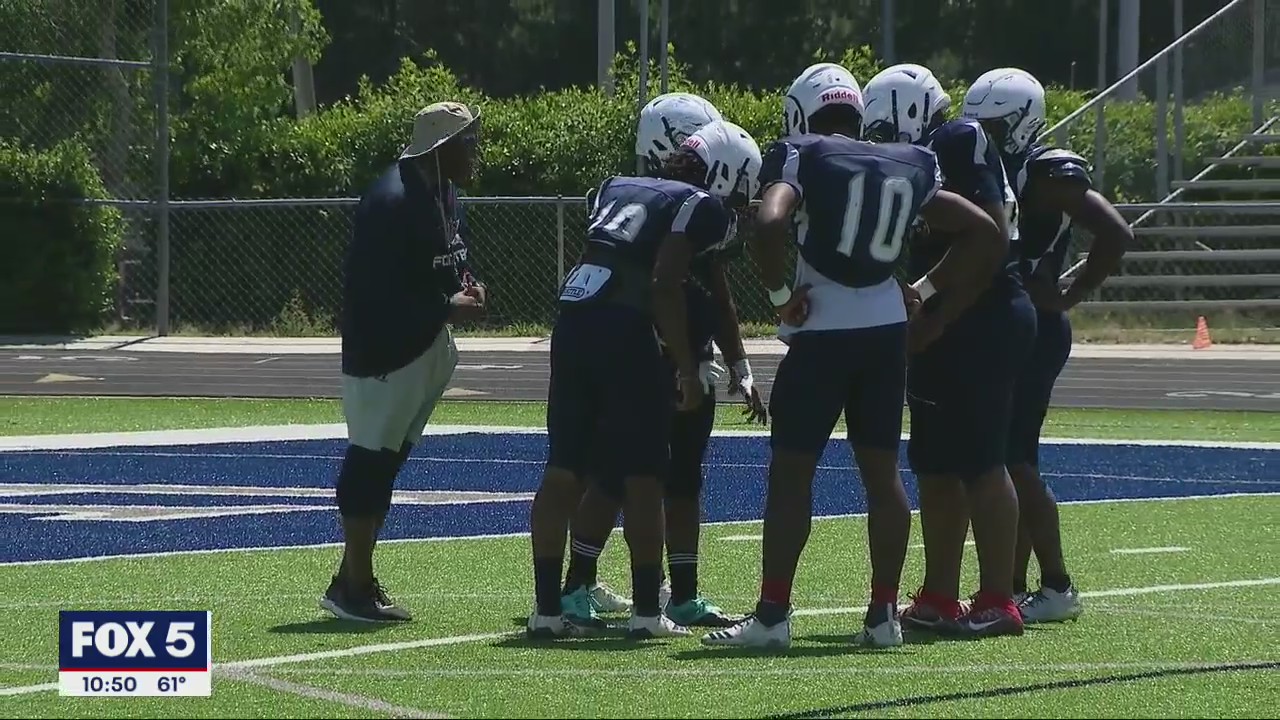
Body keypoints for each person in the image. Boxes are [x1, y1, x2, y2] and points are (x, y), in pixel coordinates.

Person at [701, 63, 1004, 650]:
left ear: (800, 112)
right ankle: (883, 616)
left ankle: (772, 615)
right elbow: (987, 233)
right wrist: (925, 289)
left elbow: (769, 220)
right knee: (882, 475)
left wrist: (781, 298)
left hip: (822, 333)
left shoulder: (801, 152)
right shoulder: (907, 160)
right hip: (885, 333)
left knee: (792, 472)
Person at [528, 120, 764, 639]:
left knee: (564, 467)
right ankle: (644, 614)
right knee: (642, 476)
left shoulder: (617, 184)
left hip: (573, 317)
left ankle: (546, 611)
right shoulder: (698, 204)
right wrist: (684, 366)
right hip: (625, 328)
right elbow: (663, 284)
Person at [864, 64, 1037, 638]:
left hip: (983, 313)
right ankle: (940, 593)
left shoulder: (958, 140)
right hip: (949, 318)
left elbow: (991, 236)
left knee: (983, 461)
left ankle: (998, 598)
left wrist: (935, 307)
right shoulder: (922, 157)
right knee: (936, 465)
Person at [964, 68, 1130, 623]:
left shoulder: (1045, 167)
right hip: (1008, 323)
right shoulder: (993, 164)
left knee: (1015, 460)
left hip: (1033, 325)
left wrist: (1070, 292)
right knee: (1010, 460)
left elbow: (1115, 231)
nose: (983, 132)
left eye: (993, 123)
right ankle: (1010, 585)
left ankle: (1056, 583)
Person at [321, 101, 486, 623]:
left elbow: (441, 258)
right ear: (439, 148)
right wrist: (445, 306)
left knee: (387, 463)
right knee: (370, 461)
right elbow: (372, 292)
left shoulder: (442, 192)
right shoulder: (390, 200)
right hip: (385, 352)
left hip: (425, 346)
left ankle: (354, 578)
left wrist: (466, 287)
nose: (475, 152)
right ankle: (354, 587)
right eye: (467, 142)